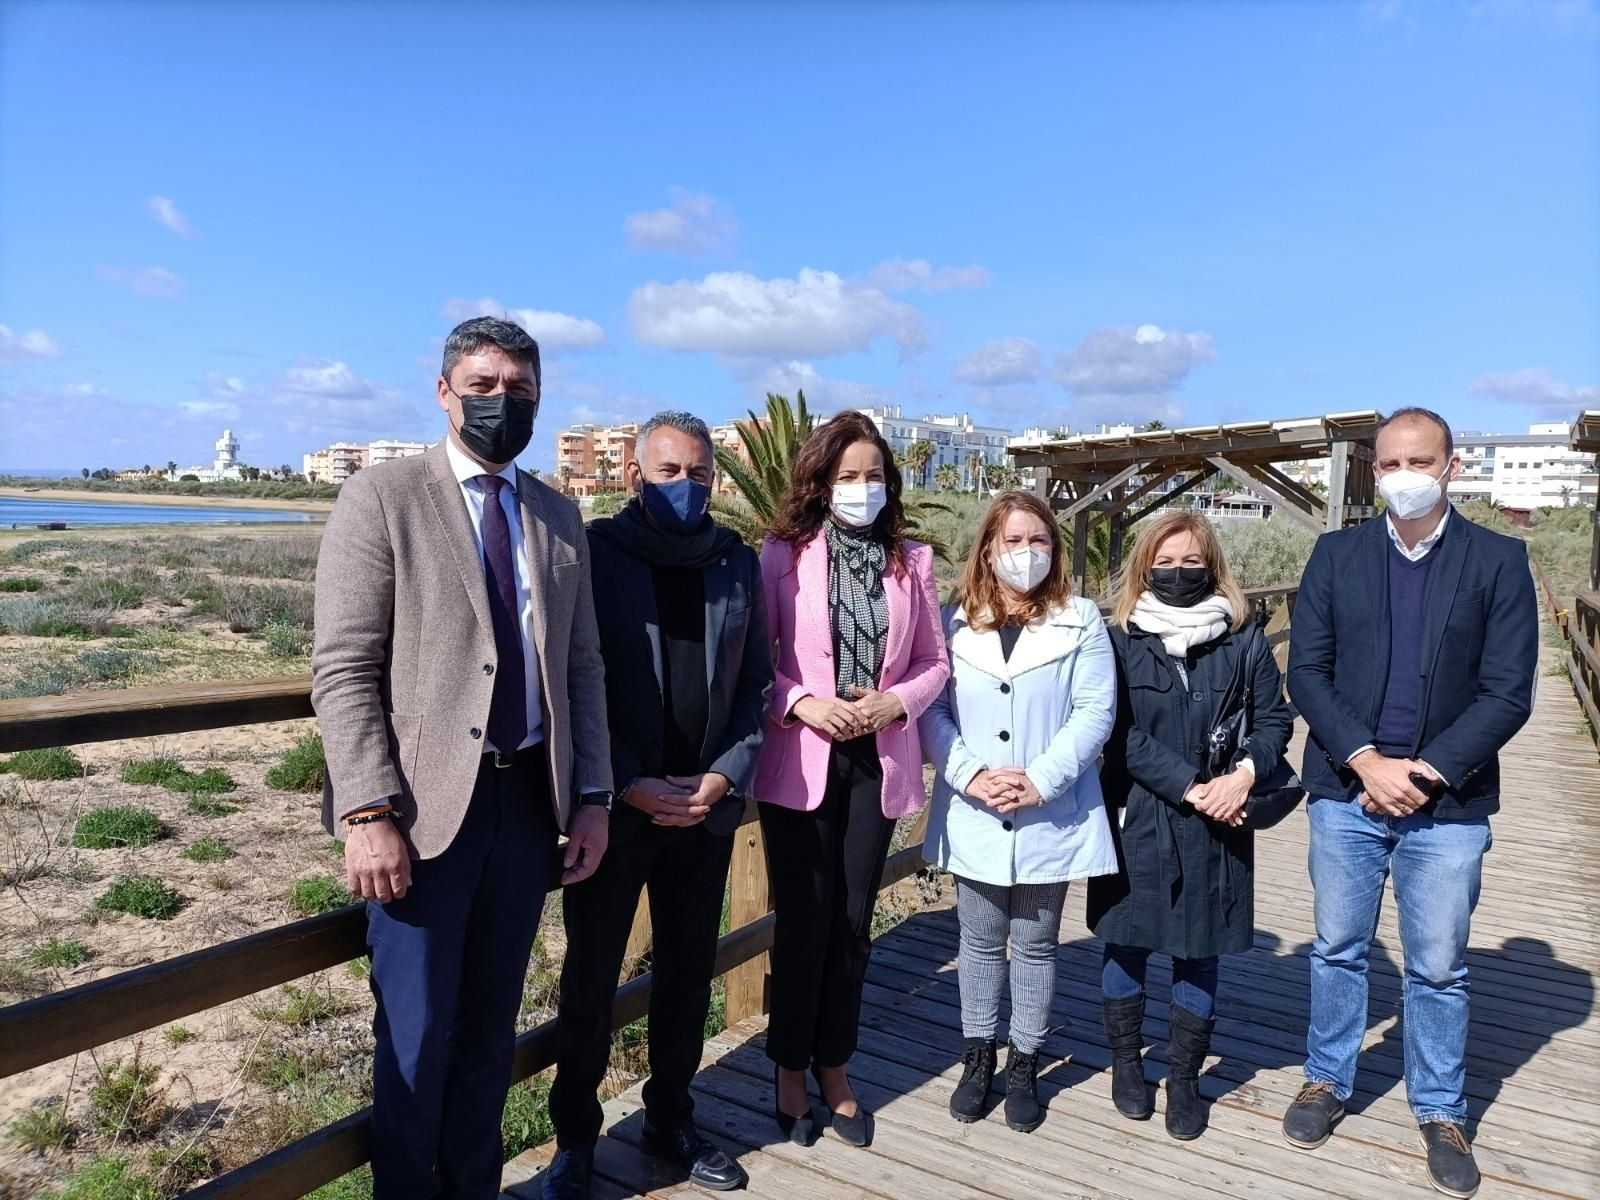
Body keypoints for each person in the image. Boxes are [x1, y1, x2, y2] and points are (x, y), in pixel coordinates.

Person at [311, 317, 614, 1200]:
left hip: (528, 813)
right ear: (444, 392)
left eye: (519, 389)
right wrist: (366, 811)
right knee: (414, 1041)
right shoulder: (382, 497)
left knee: (489, 1037)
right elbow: (343, 665)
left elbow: (583, 665)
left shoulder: (558, 514)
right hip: (420, 815)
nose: (500, 402)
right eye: (482, 385)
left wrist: (590, 794)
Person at [1282, 407, 1537, 1199]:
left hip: (1448, 806)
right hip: (1345, 792)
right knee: (1337, 948)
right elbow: (1308, 674)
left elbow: (1508, 693)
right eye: (1388, 462)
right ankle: (1327, 1078)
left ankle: (1440, 1110)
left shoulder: (1499, 561)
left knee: (1437, 968)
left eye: (1418, 460)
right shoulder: (1336, 554)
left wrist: (1420, 772)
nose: (1402, 475)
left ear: (1452, 467)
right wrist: (1364, 759)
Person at [543, 413, 773, 1197]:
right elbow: (578, 680)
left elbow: (758, 685)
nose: (687, 486)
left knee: (686, 973)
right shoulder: (595, 556)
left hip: (702, 809)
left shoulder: (735, 563)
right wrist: (626, 780)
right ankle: (573, 1137)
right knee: (591, 979)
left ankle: (671, 1116)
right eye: (670, 472)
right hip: (614, 807)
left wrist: (723, 777)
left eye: (701, 473)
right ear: (636, 477)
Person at [752, 411, 950, 1147]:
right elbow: (754, 664)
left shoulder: (915, 562)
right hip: (800, 763)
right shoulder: (781, 555)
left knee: (853, 927)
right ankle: (789, 1074)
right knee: (804, 925)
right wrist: (802, 702)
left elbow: (936, 663)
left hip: (878, 761)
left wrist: (895, 700)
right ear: (820, 482)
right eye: (847, 476)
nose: (861, 488)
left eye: (873, 476)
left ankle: (835, 1069)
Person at [1087, 512, 1293, 1141]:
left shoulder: (1245, 637)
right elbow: (1116, 732)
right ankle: (1127, 1065)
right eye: (1166, 561)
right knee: (1126, 942)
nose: (1179, 572)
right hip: (1141, 812)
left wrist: (1246, 774)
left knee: (1199, 954)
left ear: (1214, 566)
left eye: (1192, 561)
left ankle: (1183, 1078)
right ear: (1145, 566)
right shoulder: (1119, 637)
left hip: (1223, 818)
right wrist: (1191, 785)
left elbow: (1275, 719)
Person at [920, 491, 1119, 1134]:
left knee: (1034, 945)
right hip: (975, 808)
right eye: (1013, 540)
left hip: (1049, 811)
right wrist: (970, 775)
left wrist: (1039, 781)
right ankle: (978, 1056)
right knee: (977, 941)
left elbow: (1095, 712)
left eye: (1039, 541)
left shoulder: (1080, 618)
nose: (1026, 552)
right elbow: (932, 711)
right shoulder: (952, 622)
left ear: (1054, 550)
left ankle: (1026, 1061)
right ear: (988, 547)